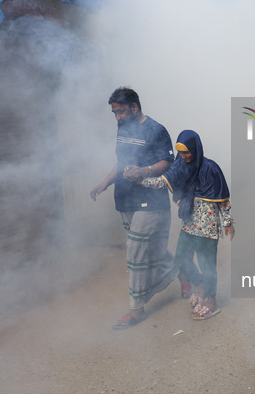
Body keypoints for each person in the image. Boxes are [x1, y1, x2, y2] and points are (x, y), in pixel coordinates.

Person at [90, 87, 178, 329]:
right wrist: (104, 183)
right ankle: (181, 271)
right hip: (125, 199)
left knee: (135, 251)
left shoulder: (156, 129)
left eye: (120, 112)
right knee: (150, 249)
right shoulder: (122, 129)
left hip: (151, 200)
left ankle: (136, 309)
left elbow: (168, 161)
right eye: (114, 113)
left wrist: (144, 171)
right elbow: (122, 161)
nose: (117, 117)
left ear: (134, 107)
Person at [125, 129, 234, 320]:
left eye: (187, 152)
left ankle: (211, 301)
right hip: (190, 222)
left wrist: (227, 222)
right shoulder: (180, 165)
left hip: (208, 224)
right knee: (181, 259)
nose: (184, 156)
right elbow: (161, 183)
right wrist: (140, 179)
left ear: (196, 148)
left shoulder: (211, 168)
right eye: (181, 153)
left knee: (207, 263)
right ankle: (200, 286)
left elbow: (222, 199)